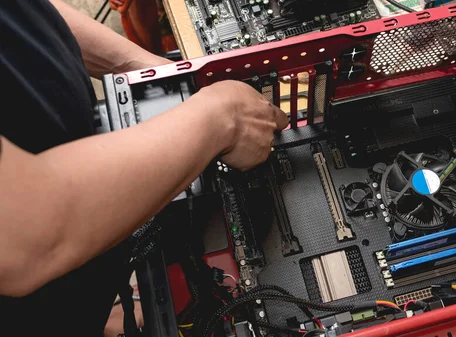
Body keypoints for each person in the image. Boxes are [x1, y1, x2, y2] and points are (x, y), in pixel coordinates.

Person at [0, 1, 288, 336]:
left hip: (81, 229)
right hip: (37, 283)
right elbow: (25, 234)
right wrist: (223, 119)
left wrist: (155, 74)